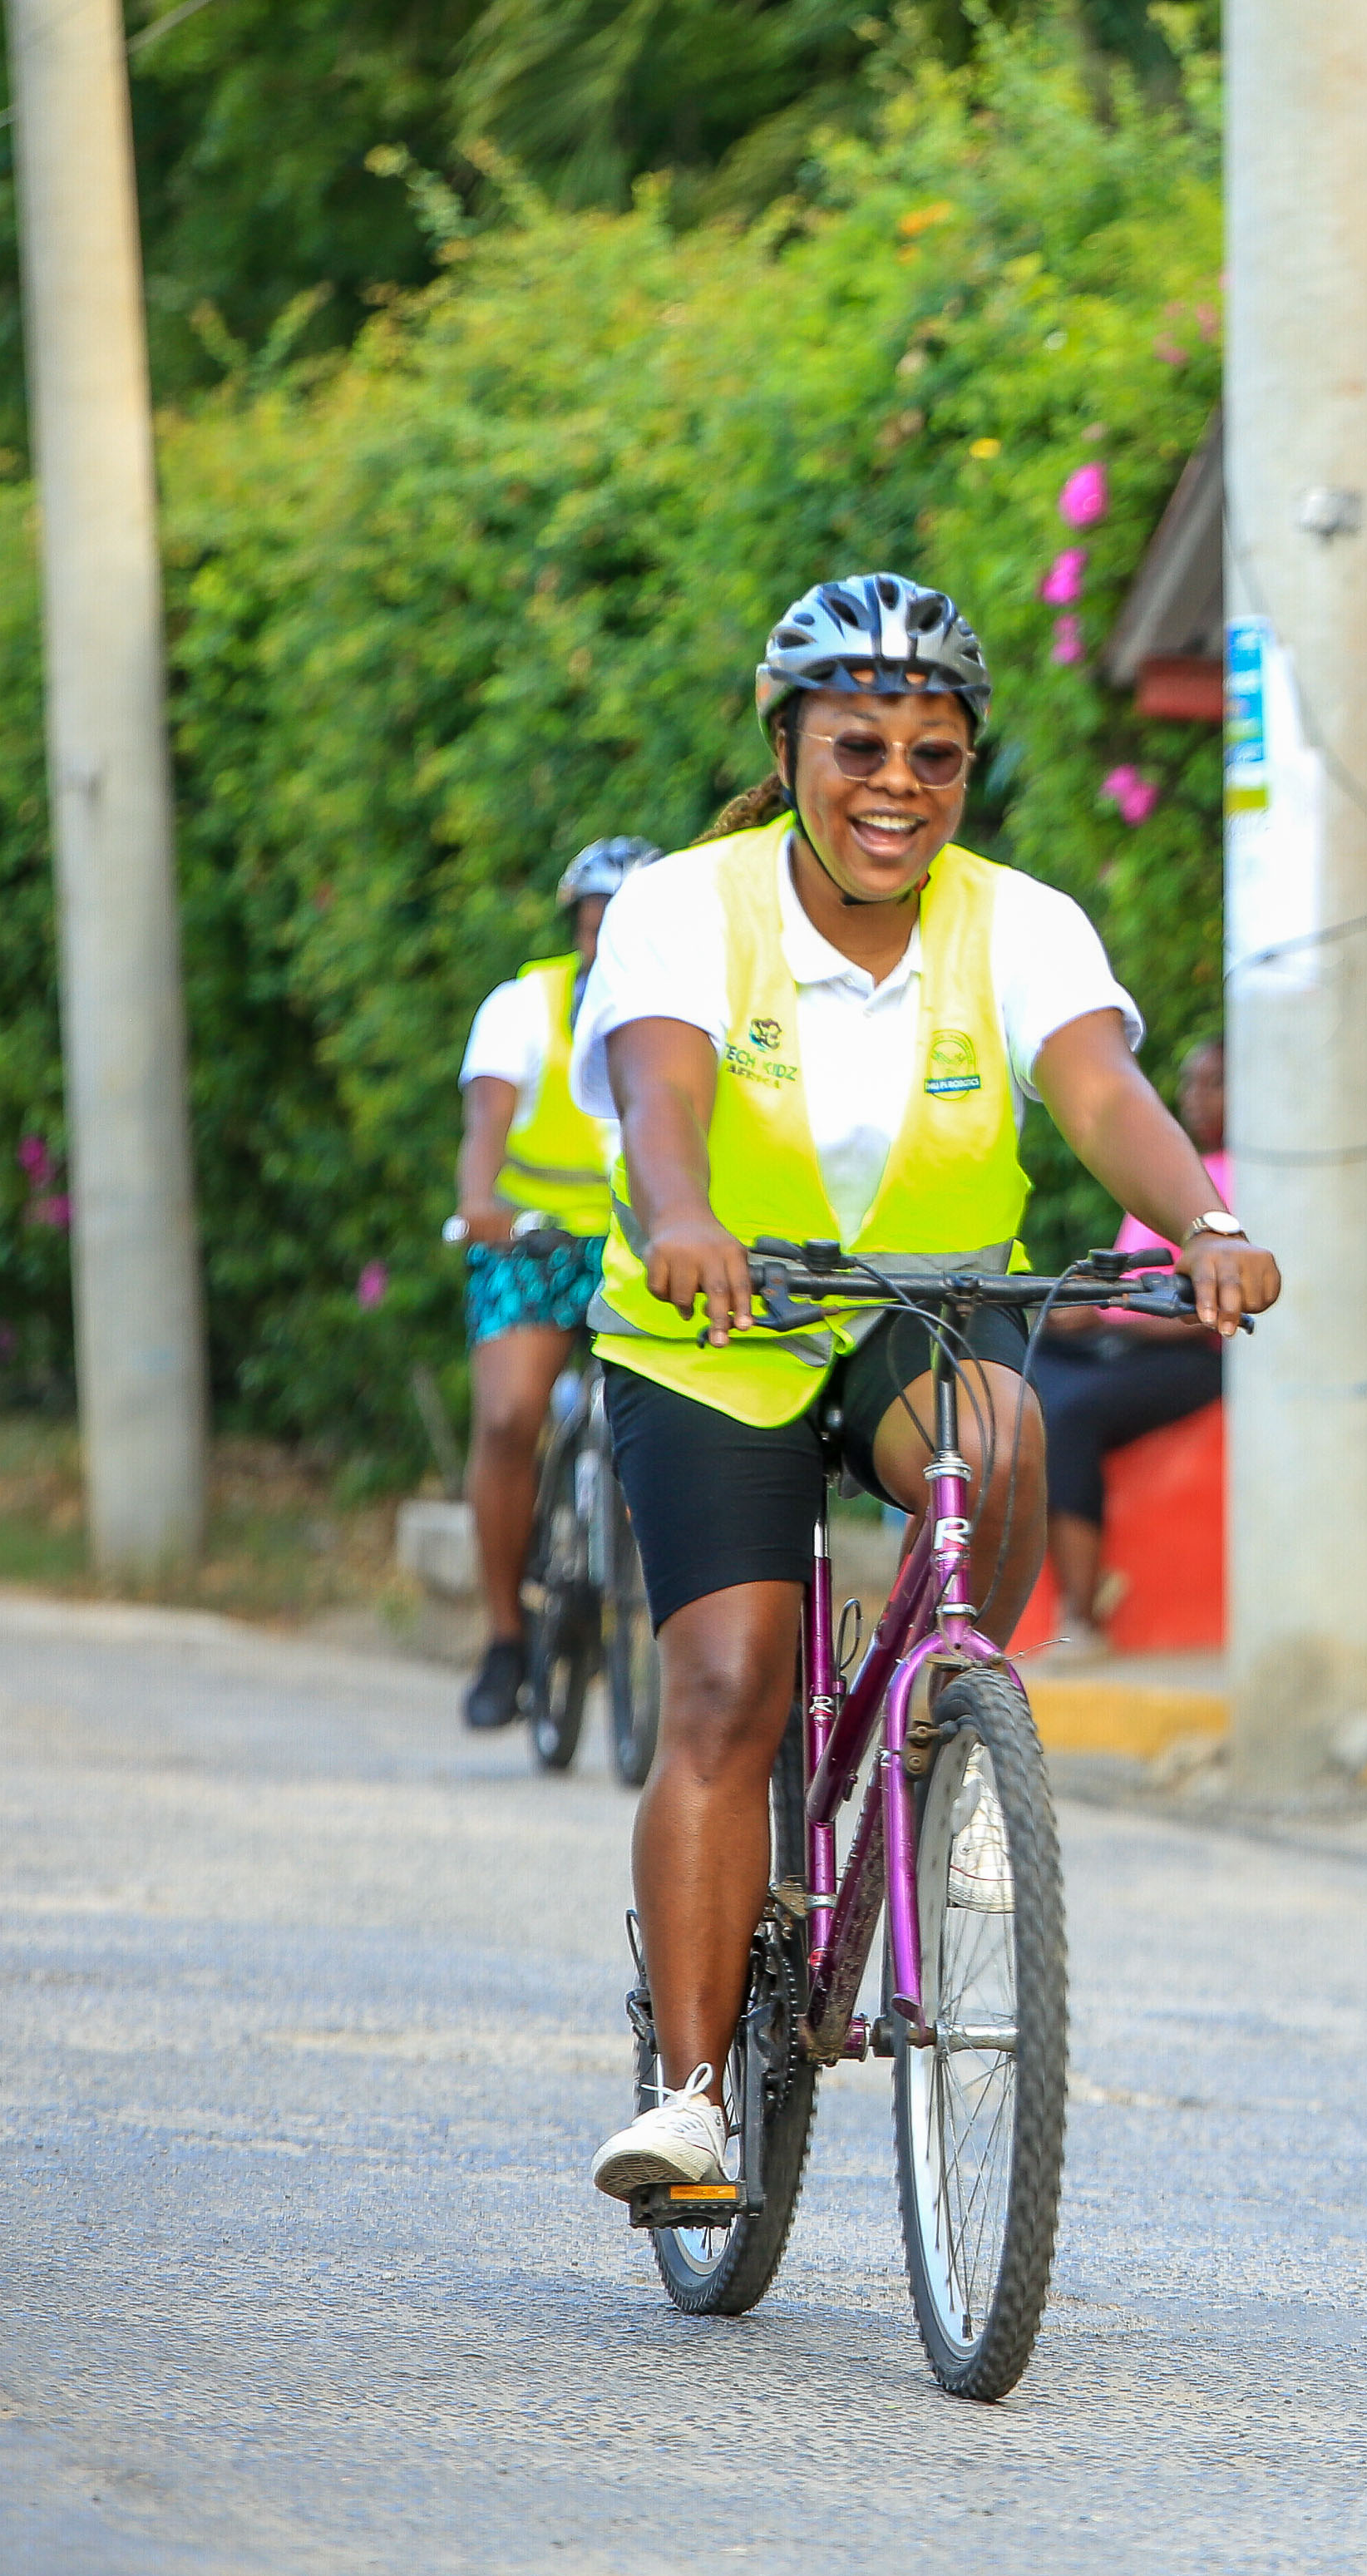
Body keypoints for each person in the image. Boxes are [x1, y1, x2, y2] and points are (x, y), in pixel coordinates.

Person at [576, 573, 1276, 2201]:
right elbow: (658, 1090)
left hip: (924, 1309)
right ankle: (689, 2096)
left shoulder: (1018, 921)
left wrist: (1207, 1221)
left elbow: (1099, 1089)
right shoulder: (690, 903)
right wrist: (682, 1217)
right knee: (729, 1686)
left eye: (936, 755)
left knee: (1007, 1437)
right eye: (860, 747)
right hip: (712, 1323)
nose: (898, 785)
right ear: (790, 745)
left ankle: (952, 1726)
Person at [448, 836, 658, 1729]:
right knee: (508, 1419)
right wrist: (479, 1201)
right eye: (592, 923)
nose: (605, 940)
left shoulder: (689, 1012)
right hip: (532, 1243)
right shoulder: (522, 1007)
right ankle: (504, 1636)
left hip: (644, 1248)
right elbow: (487, 1117)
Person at [1024, 1038, 1226, 1659]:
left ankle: (1081, 1615)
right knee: (1018, 1371)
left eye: (1211, 1083)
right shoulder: (1173, 1173)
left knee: (1071, 1416)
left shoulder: (1250, 1181)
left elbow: (1217, 1314)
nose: (1193, 1097)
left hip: (1195, 1356)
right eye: (1189, 1083)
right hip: (1126, 1339)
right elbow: (1132, 1282)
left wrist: (1108, 1321)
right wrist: (1085, 1309)